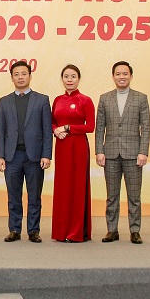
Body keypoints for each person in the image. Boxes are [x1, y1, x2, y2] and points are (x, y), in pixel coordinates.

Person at [0, 61, 52, 243]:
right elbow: (0, 131)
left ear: (30, 76)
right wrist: (0, 156)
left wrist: (46, 155)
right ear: (12, 78)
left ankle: (33, 230)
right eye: (16, 74)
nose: (20, 77)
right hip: (12, 157)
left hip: (34, 156)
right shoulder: (4, 101)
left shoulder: (42, 100)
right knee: (13, 196)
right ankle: (14, 229)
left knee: (34, 196)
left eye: (24, 74)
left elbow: (47, 130)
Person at [95, 61, 150, 244]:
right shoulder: (105, 98)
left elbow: (146, 127)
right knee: (112, 196)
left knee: (134, 196)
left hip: (134, 154)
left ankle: (135, 230)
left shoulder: (141, 98)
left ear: (131, 76)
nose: (121, 77)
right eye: (118, 74)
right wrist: (99, 151)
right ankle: (112, 230)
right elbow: (100, 127)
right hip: (110, 154)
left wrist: (143, 152)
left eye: (125, 73)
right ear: (113, 76)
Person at [50, 64, 95, 242]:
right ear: (62, 79)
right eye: (66, 76)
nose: (69, 80)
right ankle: (61, 231)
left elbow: (90, 126)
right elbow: (52, 122)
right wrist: (55, 130)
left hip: (78, 147)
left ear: (79, 79)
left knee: (77, 187)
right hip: (62, 147)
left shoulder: (86, 100)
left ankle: (76, 232)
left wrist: (68, 127)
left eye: (73, 76)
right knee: (63, 188)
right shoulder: (57, 100)